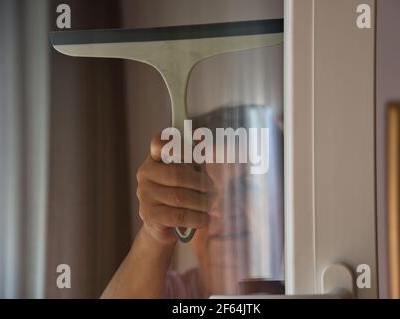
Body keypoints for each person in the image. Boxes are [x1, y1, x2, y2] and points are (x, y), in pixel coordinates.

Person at [101, 105, 283, 298]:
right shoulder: (162, 293)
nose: (221, 209)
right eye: (202, 190)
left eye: (244, 186)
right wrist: (155, 232)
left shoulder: (311, 283)